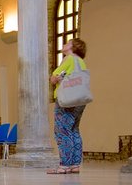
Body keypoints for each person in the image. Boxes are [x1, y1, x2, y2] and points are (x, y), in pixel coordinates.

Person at [48, 38, 88, 174]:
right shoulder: (81, 62)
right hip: (81, 100)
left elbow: (54, 78)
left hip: (67, 99)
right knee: (74, 130)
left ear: (73, 47)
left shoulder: (69, 59)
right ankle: (75, 165)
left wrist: (55, 79)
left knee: (62, 131)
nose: (65, 44)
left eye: (68, 43)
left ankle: (64, 165)